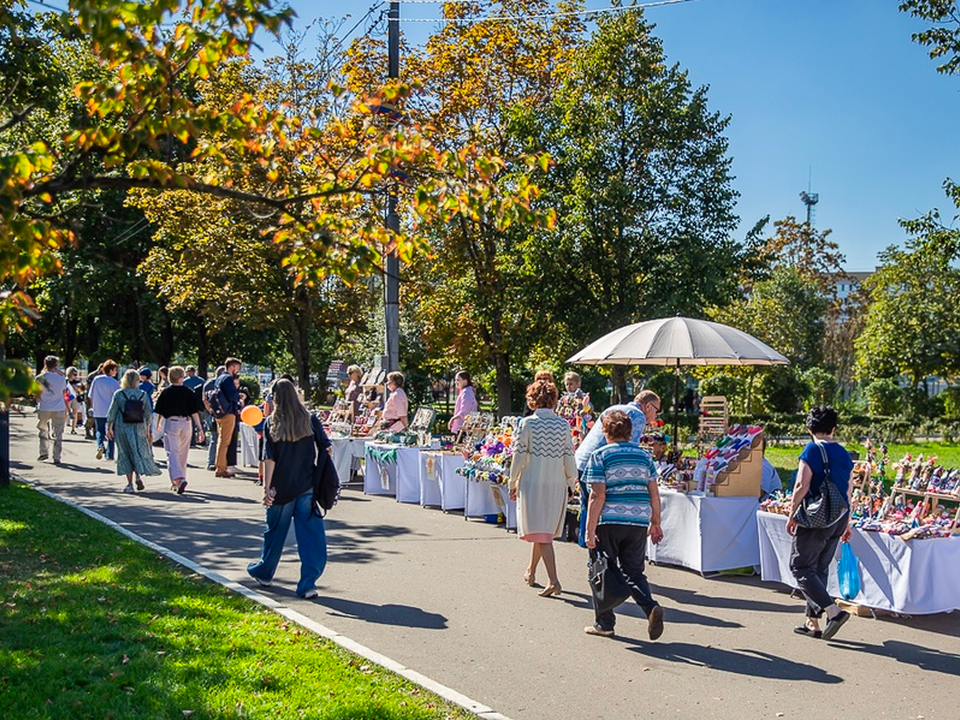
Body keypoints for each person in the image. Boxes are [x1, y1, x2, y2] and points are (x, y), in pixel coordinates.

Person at [582, 410, 665, 640]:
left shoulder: (599, 455)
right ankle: (650, 608)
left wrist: (590, 529)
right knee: (634, 571)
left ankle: (604, 623)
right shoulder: (644, 457)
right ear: (629, 432)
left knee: (601, 569)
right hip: (637, 521)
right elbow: (654, 493)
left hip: (609, 520)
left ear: (605, 431)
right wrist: (655, 522)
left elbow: (597, 496)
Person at [247, 378, 330, 599]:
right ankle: (308, 583)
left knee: (274, 533)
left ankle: (264, 572)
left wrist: (266, 489)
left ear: (275, 398)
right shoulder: (309, 419)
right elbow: (326, 446)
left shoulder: (271, 421)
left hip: (280, 488)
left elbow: (269, 458)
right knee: (311, 537)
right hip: (306, 485)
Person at [786, 405, 854, 641]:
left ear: (809, 428)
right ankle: (812, 622)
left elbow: (801, 485)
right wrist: (848, 522)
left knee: (801, 567)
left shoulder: (812, 449)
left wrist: (792, 511)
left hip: (817, 517)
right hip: (839, 515)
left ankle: (833, 611)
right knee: (818, 569)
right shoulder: (844, 453)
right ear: (833, 428)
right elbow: (849, 489)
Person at [507, 380, 577, 597]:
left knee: (541, 532)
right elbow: (569, 455)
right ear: (554, 400)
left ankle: (554, 580)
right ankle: (531, 571)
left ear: (532, 400)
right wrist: (571, 481)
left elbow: (518, 456)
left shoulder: (527, 424)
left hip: (533, 482)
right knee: (542, 530)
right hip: (556, 483)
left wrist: (512, 481)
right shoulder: (563, 425)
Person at [575, 390, 661, 546]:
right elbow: (627, 450)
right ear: (648, 405)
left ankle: (590, 548)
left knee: (589, 507)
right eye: (656, 410)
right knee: (601, 507)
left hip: (583, 460)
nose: (655, 416)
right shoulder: (637, 415)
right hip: (602, 464)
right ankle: (599, 554)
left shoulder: (615, 407)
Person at [106, 368, 161, 493]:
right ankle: (138, 476)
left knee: (125, 453)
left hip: (123, 426)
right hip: (139, 427)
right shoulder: (143, 394)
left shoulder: (119, 394)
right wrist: (148, 430)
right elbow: (148, 414)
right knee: (138, 451)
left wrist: (109, 428)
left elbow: (112, 412)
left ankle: (129, 484)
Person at [154, 366, 205, 494]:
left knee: (172, 452)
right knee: (183, 452)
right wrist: (200, 428)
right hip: (186, 422)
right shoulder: (188, 392)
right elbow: (194, 412)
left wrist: (159, 423)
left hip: (172, 422)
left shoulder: (166, 392)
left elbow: (159, 409)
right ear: (182, 377)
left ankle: (177, 479)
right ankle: (181, 477)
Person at [35, 355, 67, 464]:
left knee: (43, 429)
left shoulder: (40, 378)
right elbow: (64, 391)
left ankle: (44, 452)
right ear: (56, 365)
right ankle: (56, 456)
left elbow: (37, 394)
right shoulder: (61, 379)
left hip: (44, 407)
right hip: (59, 407)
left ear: (45, 364)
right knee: (58, 433)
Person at [213, 358, 242, 478]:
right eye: (238, 368)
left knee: (221, 439)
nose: (238, 371)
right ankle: (221, 468)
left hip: (219, 412)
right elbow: (233, 395)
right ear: (232, 367)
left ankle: (220, 465)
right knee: (225, 441)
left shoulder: (219, 378)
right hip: (228, 413)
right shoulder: (228, 379)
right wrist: (239, 395)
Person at [89, 360, 120, 460]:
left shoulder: (97, 380)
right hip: (110, 410)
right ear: (110, 370)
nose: (116, 372)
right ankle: (110, 454)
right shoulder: (114, 383)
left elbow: (91, 395)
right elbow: (118, 398)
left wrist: (92, 406)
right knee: (111, 432)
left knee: (99, 430)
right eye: (115, 370)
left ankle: (100, 445)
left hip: (98, 409)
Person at [203, 365, 226, 470]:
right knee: (215, 437)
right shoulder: (216, 384)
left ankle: (214, 462)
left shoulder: (208, 383)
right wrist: (211, 411)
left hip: (212, 413)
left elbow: (204, 399)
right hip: (215, 414)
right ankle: (212, 462)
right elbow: (205, 399)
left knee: (215, 438)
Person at [448, 370, 478, 434]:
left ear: (465, 381)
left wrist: (453, 419)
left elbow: (464, 411)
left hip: (463, 428)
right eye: (455, 380)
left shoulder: (466, 392)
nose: (456, 382)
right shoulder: (465, 391)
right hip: (462, 427)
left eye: (458, 380)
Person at [65, 366, 85, 433]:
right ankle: (62, 427)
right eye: (74, 374)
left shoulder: (77, 381)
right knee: (66, 413)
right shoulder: (65, 381)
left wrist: (79, 389)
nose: (75, 376)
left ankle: (73, 429)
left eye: (76, 374)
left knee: (75, 412)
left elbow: (82, 389)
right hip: (67, 397)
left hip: (75, 398)